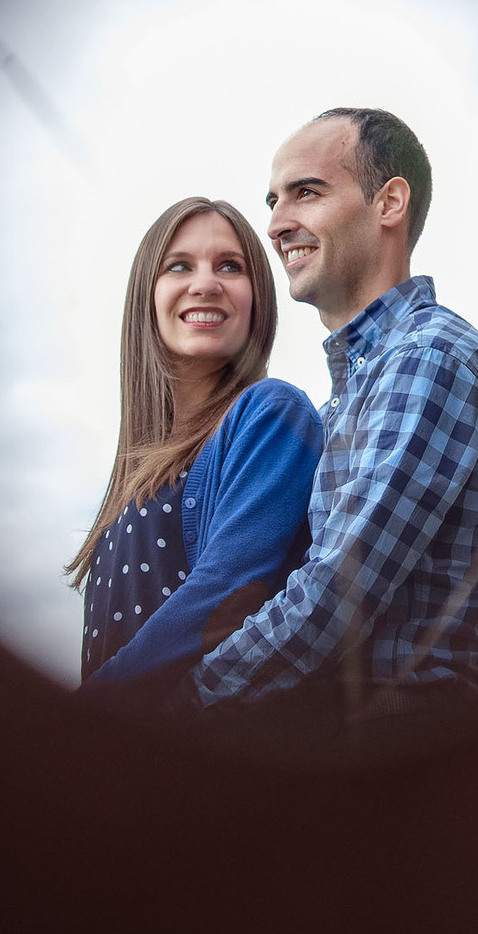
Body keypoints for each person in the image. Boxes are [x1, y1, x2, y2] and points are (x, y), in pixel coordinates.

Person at [190, 107, 478, 766]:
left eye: (307, 191)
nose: (276, 222)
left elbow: (332, 600)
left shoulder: (428, 359)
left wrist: (176, 708)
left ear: (390, 202)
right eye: (272, 200)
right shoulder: (356, 389)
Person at [73, 198, 323, 699]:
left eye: (230, 266)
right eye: (179, 266)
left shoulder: (273, 414)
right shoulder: (136, 475)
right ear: (148, 293)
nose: (205, 283)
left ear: (258, 299)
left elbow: (226, 595)